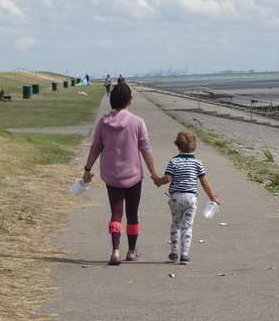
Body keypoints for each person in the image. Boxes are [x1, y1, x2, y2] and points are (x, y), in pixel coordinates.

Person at [81, 82, 159, 265]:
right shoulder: (138, 122)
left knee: (116, 213)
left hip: (112, 175)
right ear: (129, 102)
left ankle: (115, 251)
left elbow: (95, 148)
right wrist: (154, 174)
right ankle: (131, 251)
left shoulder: (103, 123)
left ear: (112, 101)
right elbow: (145, 150)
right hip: (134, 175)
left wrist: (87, 170)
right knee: (132, 214)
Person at [152, 130, 219, 265]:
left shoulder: (174, 161)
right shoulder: (198, 163)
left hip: (176, 198)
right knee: (187, 226)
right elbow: (204, 182)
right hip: (191, 198)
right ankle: (184, 254)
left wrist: (158, 181)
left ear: (178, 146)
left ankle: (174, 252)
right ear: (194, 147)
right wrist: (213, 198)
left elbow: (168, 178)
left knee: (176, 223)